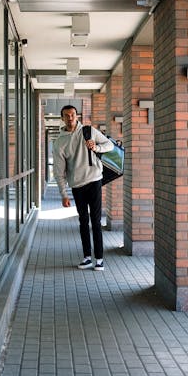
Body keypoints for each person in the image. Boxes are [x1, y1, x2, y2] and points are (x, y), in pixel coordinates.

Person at [53, 104, 114, 271]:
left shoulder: (88, 131)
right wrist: (63, 194)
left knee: (95, 221)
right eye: (66, 115)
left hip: (94, 181)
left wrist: (96, 147)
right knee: (83, 221)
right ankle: (87, 257)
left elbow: (110, 145)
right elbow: (59, 171)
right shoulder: (60, 142)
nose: (70, 117)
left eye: (72, 114)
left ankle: (99, 259)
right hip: (77, 186)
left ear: (77, 116)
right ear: (62, 118)